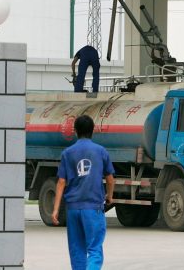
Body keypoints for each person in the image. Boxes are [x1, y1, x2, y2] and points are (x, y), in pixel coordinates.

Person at [52, 115, 115, 270]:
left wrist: (55, 209)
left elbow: (61, 182)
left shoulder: (67, 153)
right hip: (93, 208)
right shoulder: (101, 151)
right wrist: (109, 196)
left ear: (75, 131)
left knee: (77, 250)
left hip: (73, 209)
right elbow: (110, 179)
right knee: (94, 249)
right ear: (93, 130)